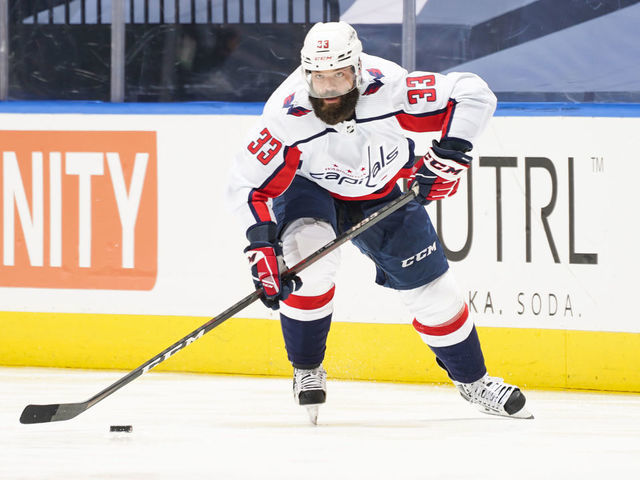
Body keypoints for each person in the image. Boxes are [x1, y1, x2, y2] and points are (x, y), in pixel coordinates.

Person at [226, 21, 532, 423]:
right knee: (308, 262)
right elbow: (247, 184)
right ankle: (306, 369)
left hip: (383, 189)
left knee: (434, 291)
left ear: (357, 70)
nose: (329, 90)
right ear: (305, 74)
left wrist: (449, 155)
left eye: (338, 76)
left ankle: (474, 382)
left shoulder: (389, 87)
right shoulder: (285, 115)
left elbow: (473, 93)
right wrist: (261, 247)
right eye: (319, 79)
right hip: (310, 190)